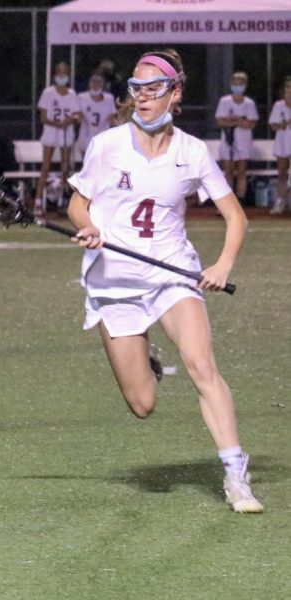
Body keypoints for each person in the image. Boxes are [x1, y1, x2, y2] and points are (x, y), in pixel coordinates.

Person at [66, 49, 262, 514]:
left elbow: (235, 217)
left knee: (201, 365)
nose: (143, 97)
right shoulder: (107, 145)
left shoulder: (192, 152)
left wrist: (222, 265)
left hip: (171, 274)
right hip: (114, 281)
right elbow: (77, 203)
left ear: (175, 94)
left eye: (154, 88)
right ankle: (145, 353)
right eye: (137, 88)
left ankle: (236, 474)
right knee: (143, 404)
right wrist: (89, 224)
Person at [35, 61, 81, 215]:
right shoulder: (48, 92)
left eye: (64, 72)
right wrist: (55, 123)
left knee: (65, 167)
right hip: (51, 132)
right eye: (59, 72)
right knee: (45, 167)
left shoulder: (72, 94)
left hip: (66, 132)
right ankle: (38, 201)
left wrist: (69, 121)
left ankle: (62, 200)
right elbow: (43, 117)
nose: (62, 75)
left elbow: (77, 115)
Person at [215, 71, 258, 203]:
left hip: (244, 141)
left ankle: (241, 199)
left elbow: (251, 123)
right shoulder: (224, 101)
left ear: (245, 85)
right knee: (228, 171)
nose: (237, 86)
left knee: (241, 171)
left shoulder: (249, 103)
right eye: (235, 83)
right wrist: (238, 120)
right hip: (228, 139)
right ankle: (227, 202)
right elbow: (220, 121)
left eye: (240, 83)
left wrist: (233, 120)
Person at [76, 72, 117, 161]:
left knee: (101, 163)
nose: (96, 84)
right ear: (89, 83)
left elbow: (112, 118)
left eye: (98, 82)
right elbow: (78, 116)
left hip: (103, 135)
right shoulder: (82, 97)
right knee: (87, 163)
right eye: (93, 81)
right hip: (86, 135)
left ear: (102, 84)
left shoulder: (109, 98)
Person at [267, 76, 291, 214]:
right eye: (287, 87)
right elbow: (273, 126)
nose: (289, 90)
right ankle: (280, 201)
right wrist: (285, 123)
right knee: (281, 173)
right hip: (282, 144)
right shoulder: (278, 105)